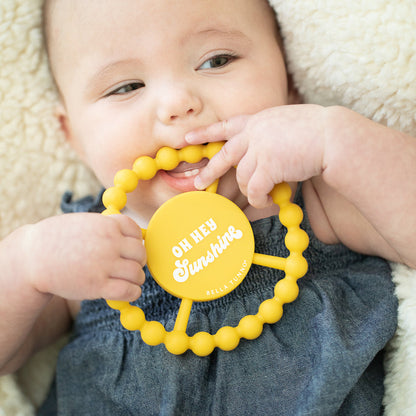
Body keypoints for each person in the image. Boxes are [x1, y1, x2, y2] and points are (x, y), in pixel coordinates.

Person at [0, 0, 415, 414]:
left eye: (217, 60)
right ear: (73, 134)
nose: (178, 103)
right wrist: (26, 266)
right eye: (126, 87)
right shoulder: (83, 254)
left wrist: (338, 141)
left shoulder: (320, 203)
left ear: (289, 79)